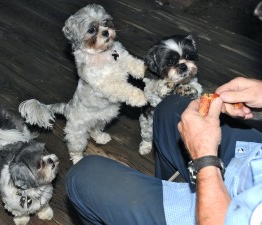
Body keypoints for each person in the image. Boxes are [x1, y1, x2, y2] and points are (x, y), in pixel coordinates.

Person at [65, 77, 262, 225]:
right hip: (253, 164)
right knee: (169, 109)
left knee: (84, 176)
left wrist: (204, 158)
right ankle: (163, 190)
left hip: (226, 215)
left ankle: (167, 204)